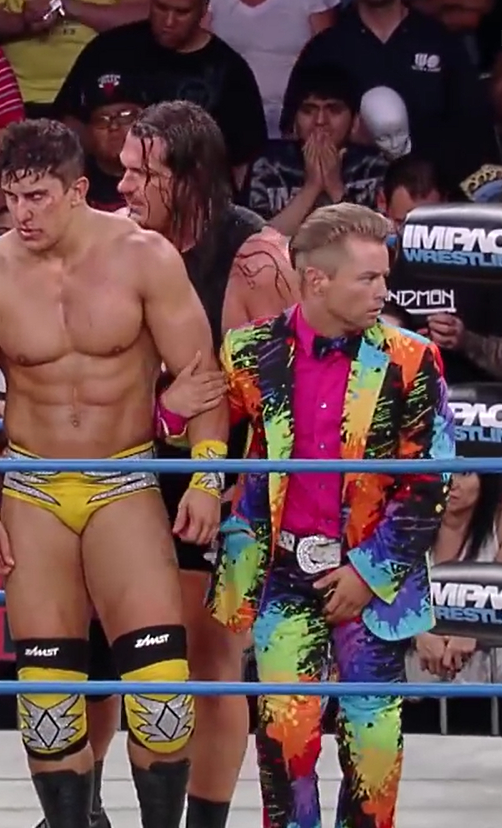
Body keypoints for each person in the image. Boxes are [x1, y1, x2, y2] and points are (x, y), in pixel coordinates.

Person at [0, 119, 225, 828]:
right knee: (46, 703)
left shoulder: (144, 257)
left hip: (122, 479)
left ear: (76, 191)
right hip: (32, 486)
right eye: (12, 197)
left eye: (38, 196)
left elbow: (201, 378)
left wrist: (205, 479)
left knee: (161, 695)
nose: (22, 213)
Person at [215, 203, 452, 828]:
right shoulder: (249, 351)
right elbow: (204, 434)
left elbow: (430, 482)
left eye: (384, 277)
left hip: (371, 575)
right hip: (280, 573)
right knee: (283, 745)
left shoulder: (412, 359)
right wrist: (171, 410)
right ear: (317, 281)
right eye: (368, 278)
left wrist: (367, 574)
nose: (383, 292)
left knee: (374, 752)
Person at [116, 99, 298, 828]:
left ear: (187, 178)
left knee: (210, 656)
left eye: (141, 173)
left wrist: (240, 492)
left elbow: (284, 400)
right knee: (118, 651)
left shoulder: (255, 259)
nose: (124, 186)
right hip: (134, 462)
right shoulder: (120, 245)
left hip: (228, 477)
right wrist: (163, 405)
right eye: (123, 169)